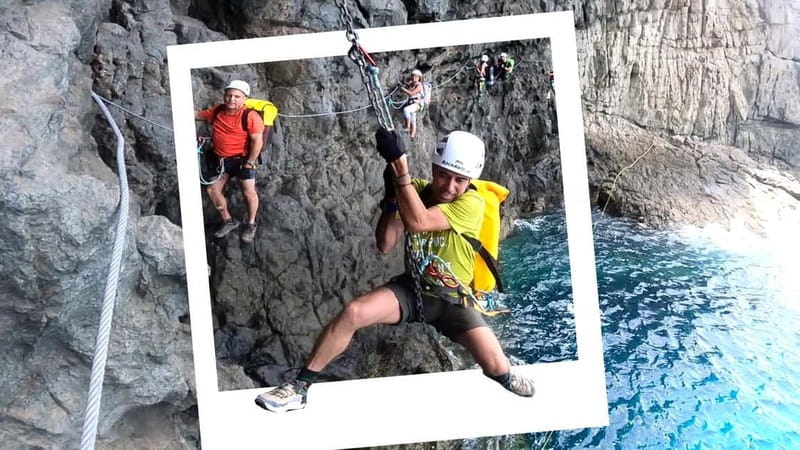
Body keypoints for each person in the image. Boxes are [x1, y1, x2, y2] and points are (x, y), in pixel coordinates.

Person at [255, 128, 535, 413]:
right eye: (443, 175)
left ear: (470, 181)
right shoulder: (415, 191)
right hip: (412, 290)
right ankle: (300, 388)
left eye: (460, 180)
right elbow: (385, 244)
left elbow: (420, 222)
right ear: (434, 167)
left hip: (453, 301)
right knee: (353, 312)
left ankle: (508, 374)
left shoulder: (472, 203)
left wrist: (400, 170)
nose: (450, 187)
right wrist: (391, 202)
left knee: (496, 369)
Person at [194, 80, 265, 243]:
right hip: (221, 160)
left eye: (237, 96)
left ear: (245, 99)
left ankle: (251, 224)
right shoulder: (218, 111)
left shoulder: (251, 116)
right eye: (229, 95)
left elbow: (257, 142)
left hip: (242, 160)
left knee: (248, 192)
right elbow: (198, 115)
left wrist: (250, 162)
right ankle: (228, 220)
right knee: (212, 190)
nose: (232, 99)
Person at [400, 69, 425, 139]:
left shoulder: (419, 86)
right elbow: (407, 87)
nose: (414, 78)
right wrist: (403, 85)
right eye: (413, 76)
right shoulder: (412, 84)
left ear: (419, 78)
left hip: (417, 104)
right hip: (412, 103)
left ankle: (407, 127)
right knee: (413, 119)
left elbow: (411, 93)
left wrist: (403, 89)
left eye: (416, 77)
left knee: (406, 110)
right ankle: (412, 136)